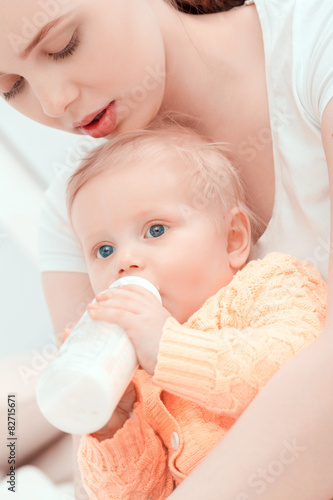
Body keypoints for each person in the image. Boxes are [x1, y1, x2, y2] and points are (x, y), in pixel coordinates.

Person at [0, 0, 332, 497]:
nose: (52, 102)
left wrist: (171, 351)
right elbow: (116, 484)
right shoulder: (77, 207)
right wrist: (111, 428)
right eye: (11, 87)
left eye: (62, 45)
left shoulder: (315, 44)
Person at [65, 124, 326, 499]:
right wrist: (115, 426)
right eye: (103, 250)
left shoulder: (273, 282)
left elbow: (295, 372)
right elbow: (144, 494)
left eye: (155, 230)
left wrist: (168, 348)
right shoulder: (133, 372)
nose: (124, 261)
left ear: (233, 238)